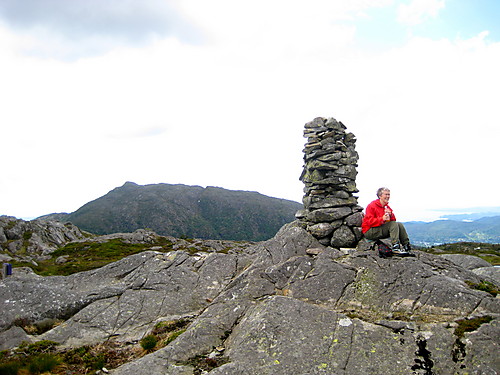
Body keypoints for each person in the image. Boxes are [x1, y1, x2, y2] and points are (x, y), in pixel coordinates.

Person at [361, 187, 412, 254]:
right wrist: (381, 219)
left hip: (379, 228)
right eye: (386, 194)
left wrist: (390, 214)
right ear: (380, 196)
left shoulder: (386, 207)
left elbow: (394, 221)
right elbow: (369, 222)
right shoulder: (372, 206)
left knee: (399, 224)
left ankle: (406, 246)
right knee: (392, 224)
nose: (388, 196)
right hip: (369, 231)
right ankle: (395, 247)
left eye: (389, 194)